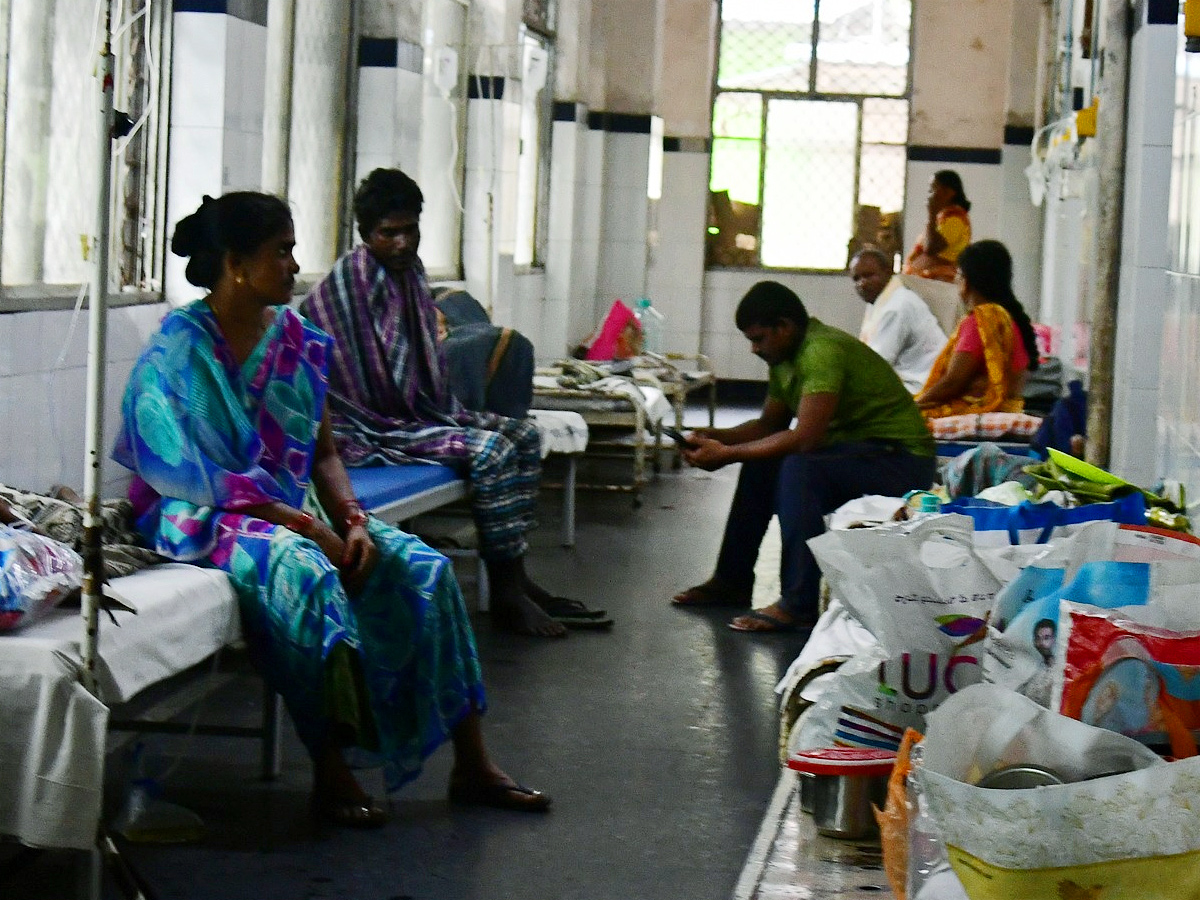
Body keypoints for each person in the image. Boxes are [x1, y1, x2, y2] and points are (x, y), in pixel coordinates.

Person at [112, 192, 550, 827]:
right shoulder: (179, 353)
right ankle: (330, 767)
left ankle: (473, 764)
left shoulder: (297, 340)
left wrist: (353, 519)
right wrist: (311, 530)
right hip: (201, 514)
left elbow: (324, 454)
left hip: (296, 507)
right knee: (302, 575)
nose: (295, 266)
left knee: (424, 571)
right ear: (235, 262)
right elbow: (195, 472)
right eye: (281, 252)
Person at [302, 168, 610, 638]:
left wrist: (439, 410)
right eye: (390, 233)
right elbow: (375, 380)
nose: (403, 242)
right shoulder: (354, 280)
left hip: (412, 412)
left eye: (411, 230)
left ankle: (517, 576)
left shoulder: (407, 273)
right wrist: (435, 414)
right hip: (365, 423)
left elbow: (413, 359)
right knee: (489, 451)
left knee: (524, 433)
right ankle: (505, 596)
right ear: (366, 234)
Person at [671, 281, 937, 632]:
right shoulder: (784, 358)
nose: (754, 348)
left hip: (900, 461)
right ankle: (731, 579)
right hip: (859, 452)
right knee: (762, 464)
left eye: (759, 338)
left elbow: (806, 439)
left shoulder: (821, 351)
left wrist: (728, 453)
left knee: (801, 468)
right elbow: (769, 425)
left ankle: (799, 603)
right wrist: (712, 437)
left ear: (785, 327)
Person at [915, 240, 1039, 419]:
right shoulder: (1010, 321)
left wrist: (914, 406)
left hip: (977, 413)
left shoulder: (980, 321)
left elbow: (952, 383)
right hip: (1009, 412)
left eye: (958, 275)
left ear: (965, 281)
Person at [851, 247, 946, 393]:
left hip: (918, 387)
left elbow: (877, 364)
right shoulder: (884, 299)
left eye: (869, 275)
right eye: (856, 278)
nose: (862, 284)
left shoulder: (897, 306)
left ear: (888, 272)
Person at [902, 170, 972, 282]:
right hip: (929, 280)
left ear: (948, 192)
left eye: (932, 190)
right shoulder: (943, 218)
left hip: (940, 281)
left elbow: (931, 248)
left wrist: (932, 214)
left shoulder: (955, 219)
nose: (929, 195)